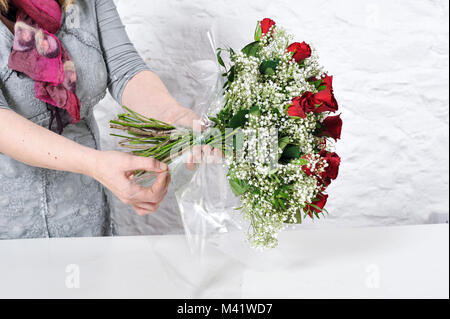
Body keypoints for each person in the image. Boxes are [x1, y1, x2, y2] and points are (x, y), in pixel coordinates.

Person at [0, 0, 202, 239]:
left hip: (87, 222)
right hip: (10, 232)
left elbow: (124, 69)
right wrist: (94, 164)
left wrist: (175, 117)